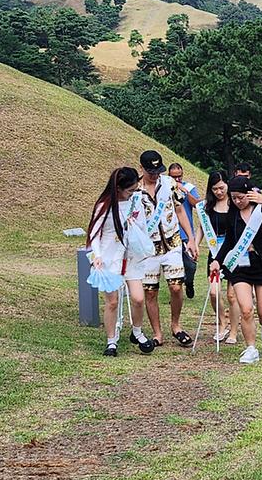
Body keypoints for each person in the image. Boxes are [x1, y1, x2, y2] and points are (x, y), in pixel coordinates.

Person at [209, 177, 262, 364]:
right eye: (234, 198)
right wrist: (217, 261)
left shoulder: (261, 209)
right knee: (246, 309)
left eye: (241, 197)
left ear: (250, 194)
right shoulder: (233, 214)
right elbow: (229, 241)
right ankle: (251, 348)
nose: (238, 201)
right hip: (240, 266)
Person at [86, 167, 154, 357]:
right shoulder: (104, 205)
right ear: (118, 188)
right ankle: (111, 341)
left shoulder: (136, 203)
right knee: (112, 302)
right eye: (130, 190)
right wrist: (97, 255)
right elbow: (95, 233)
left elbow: (142, 227)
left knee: (138, 298)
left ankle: (137, 332)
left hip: (132, 256)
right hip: (109, 258)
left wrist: (141, 242)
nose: (133, 193)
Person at [136, 150, 199, 347]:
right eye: (151, 172)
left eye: (158, 171)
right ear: (142, 169)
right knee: (150, 292)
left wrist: (190, 239)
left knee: (176, 286)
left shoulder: (170, 184)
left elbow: (180, 209)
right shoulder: (135, 190)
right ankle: (157, 333)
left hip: (172, 244)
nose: (155, 175)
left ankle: (176, 325)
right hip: (148, 250)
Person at [195, 171, 240, 343]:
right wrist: (195, 244)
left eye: (221, 188)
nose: (219, 192)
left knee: (232, 295)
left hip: (234, 253)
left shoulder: (235, 203)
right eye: (215, 189)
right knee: (214, 293)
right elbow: (201, 227)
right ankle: (222, 322)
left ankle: (234, 331)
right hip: (215, 253)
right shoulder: (207, 206)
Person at [169, 162, 201, 299]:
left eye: (179, 176)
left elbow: (197, 204)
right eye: (174, 177)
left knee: (190, 264)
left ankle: (189, 282)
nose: (177, 179)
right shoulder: (165, 188)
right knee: (174, 267)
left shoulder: (189, 187)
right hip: (170, 233)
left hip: (186, 233)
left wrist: (185, 192)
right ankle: (176, 295)